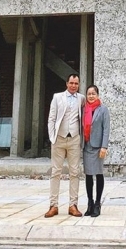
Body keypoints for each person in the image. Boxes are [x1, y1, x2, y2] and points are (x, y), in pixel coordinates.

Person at [45, 72, 85, 218]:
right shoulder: (57, 97)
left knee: (75, 172)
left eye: (76, 83)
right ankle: (53, 205)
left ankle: (73, 205)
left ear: (78, 85)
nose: (73, 85)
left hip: (74, 139)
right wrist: (52, 137)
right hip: (59, 139)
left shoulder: (81, 98)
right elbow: (51, 118)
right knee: (56, 172)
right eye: (71, 83)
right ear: (67, 83)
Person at [82, 84, 110, 217]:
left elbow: (106, 129)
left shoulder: (103, 109)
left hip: (98, 146)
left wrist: (104, 146)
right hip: (87, 146)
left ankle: (98, 204)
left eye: (93, 93)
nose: (91, 96)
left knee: (98, 174)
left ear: (97, 95)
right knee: (88, 175)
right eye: (89, 94)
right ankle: (90, 203)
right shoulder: (84, 109)